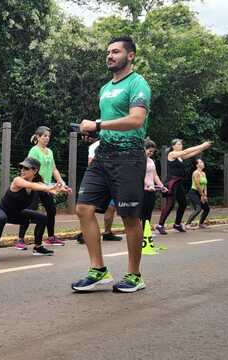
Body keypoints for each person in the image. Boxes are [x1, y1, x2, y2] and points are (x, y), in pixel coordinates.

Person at [72, 36, 152, 293]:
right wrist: (96, 134)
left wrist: (98, 125)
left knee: (129, 217)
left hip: (129, 157)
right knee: (83, 208)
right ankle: (98, 270)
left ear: (130, 56)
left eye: (115, 52)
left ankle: (134, 275)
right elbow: (111, 123)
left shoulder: (138, 83)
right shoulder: (105, 89)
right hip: (104, 154)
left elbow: (136, 120)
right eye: (108, 52)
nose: (109, 55)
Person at [0, 157, 60, 263]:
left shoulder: (38, 184)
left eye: (26, 168)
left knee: (43, 218)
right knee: (2, 218)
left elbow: (48, 186)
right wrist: (49, 188)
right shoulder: (18, 180)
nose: (22, 170)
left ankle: (38, 247)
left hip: (17, 214)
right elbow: (33, 185)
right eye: (21, 167)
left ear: (35, 170)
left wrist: (61, 188)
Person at [16, 126, 70, 250]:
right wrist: (28, 184)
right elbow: (28, 168)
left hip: (46, 187)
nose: (47, 138)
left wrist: (61, 182)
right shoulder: (34, 151)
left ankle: (51, 237)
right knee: (30, 211)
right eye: (44, 136)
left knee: (51, 210)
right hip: (35, 185)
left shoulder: (50, 152)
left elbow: (53, 169)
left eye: (48, 136)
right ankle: (20, 240)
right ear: (38, 137)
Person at [155, 139, 212, 235]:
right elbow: (186, 151)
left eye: (181, 144)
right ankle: (160, 225)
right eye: (178, 144)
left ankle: (177, 224)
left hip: (178, 183)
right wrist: (201, 145)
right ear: (173, 146)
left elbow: (192, 153)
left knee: (183, 204)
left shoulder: (180, 157)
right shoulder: (172, 154)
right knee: (170, 204)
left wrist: (203, 147)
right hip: (172, 183)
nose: (181, 145)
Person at [76, 140, 120, 244]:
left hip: (114, 179)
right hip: (102, 180)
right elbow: (91, 163)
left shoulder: (119, 142)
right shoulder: (94, 146)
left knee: (111, 208)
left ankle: (107, 233)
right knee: (88, 208)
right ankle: (84, 233)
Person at [141, 139, 167, 228]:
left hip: (151, 190)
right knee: (141, 213)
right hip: (142, 190)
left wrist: (162, 186)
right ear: (144, 148)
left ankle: (146, 232)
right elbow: (139, 175)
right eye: (150, 151)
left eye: (153, 152)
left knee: (148, 213)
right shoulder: (139, 160)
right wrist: (147, 185)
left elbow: (155, 175)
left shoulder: (151, 161)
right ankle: (139, 233)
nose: (151, 153)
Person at [186, 158, 210, 228]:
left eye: (202, 162)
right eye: (200, 162)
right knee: (198, 209)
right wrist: (202, 195)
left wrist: (205, 195)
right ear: (197, 165)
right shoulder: (195, 173)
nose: (202, 163)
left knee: (207, 209)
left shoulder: (203, 173)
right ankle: (187, 224)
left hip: (201, 193)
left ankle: (201, 224)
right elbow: (197, 185)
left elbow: (205, 184)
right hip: (194, 192)